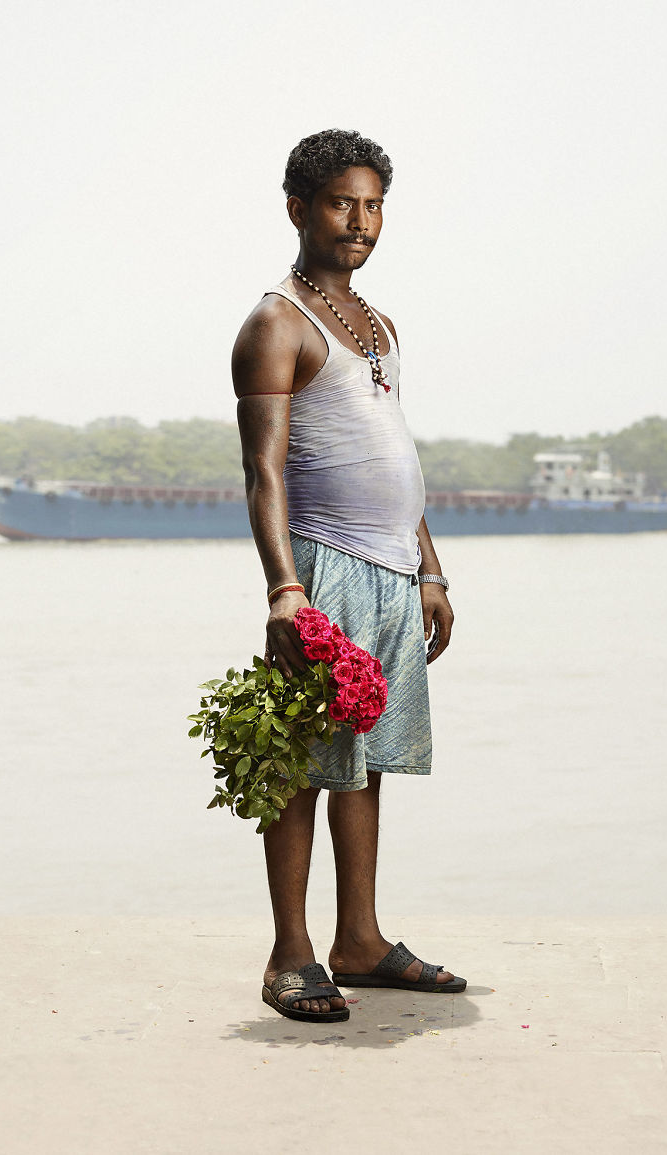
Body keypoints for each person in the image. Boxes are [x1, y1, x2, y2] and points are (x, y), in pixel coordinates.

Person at [232, 129, 464, 1024]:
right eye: (342, 203)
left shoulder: (381, 325)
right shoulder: (276, 323)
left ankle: (358, 940)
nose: (360, 223)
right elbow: (266, 472)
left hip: (393, 571)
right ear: (298, 208)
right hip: (322, 566)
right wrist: (285, 590)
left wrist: (431, 569)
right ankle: (291, 954)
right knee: (298, 763)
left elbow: (393, 456)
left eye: (373, 206)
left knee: (362, 764)